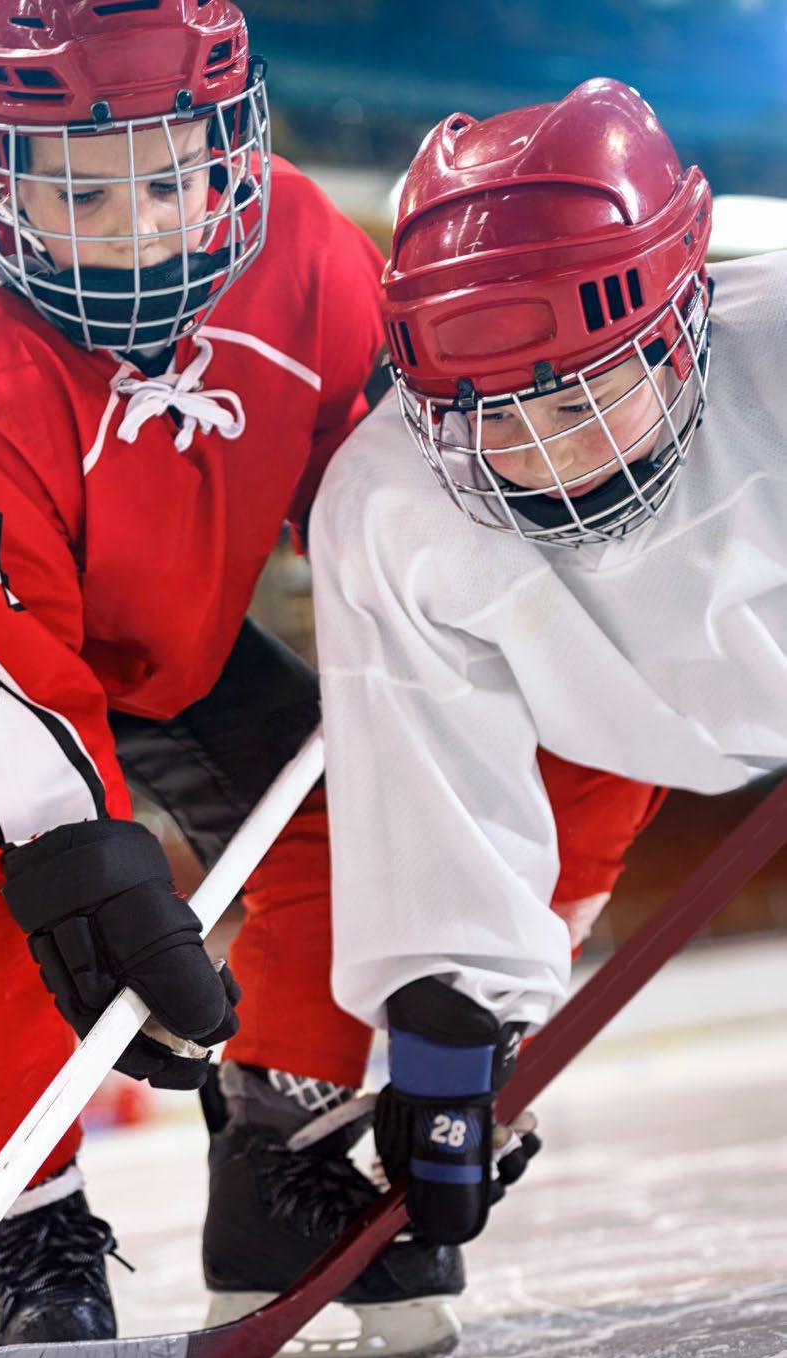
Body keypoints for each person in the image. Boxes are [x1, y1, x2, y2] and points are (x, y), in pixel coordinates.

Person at [0, 0, 472, 1358]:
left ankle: (277, 1162)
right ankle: (36, 1232)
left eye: (171, 180)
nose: (141, 230)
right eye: (80, 192)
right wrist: (79, 864)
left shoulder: (312, 254)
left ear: (234, 146)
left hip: (172, 617)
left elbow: (383, 509)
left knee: (357, 819)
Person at [310, 76, 787, 1251]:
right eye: (488, 416)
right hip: (592, 718)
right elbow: (423, 764)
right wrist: (443, 1037)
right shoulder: (391, 499)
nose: (541, 455)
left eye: (580, 400)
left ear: (682, 315)